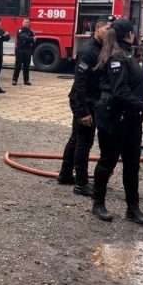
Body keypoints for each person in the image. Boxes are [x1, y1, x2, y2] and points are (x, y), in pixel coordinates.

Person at [92, 18, 143, 225]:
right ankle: (98, 203)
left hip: (131, 119)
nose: (137, 37)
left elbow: (135, 83)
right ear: (129, 35)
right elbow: (119, 91)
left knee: (132, 164)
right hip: (113, 118)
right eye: (134, 33)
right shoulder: (115, 56)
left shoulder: (128, 55)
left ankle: (133, 208)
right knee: (108, 162)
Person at [57, 16, 113, 196]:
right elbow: (79, 84)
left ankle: (65, 175)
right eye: (106, 29)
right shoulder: (88, 51)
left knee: (76, 138)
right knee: (84, 142)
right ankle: (81, 183)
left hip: (91, 101)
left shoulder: (100, 47)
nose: (109, 33)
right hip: (85, 103)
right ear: (98, 28)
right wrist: (83, 112)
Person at [13, 18, 36, 85]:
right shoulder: (20, 30)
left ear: (29, 24)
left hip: (27, 50)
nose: (26, 23)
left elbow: (34, 40)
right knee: (18, 66)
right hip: (20, 50)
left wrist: (31, 39)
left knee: (26, 66)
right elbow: (22, 37)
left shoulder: (30, 31)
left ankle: (26, 80)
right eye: (25, 22)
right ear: (22, 23)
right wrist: (31, 39)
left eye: (27, 22)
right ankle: (14, 80)